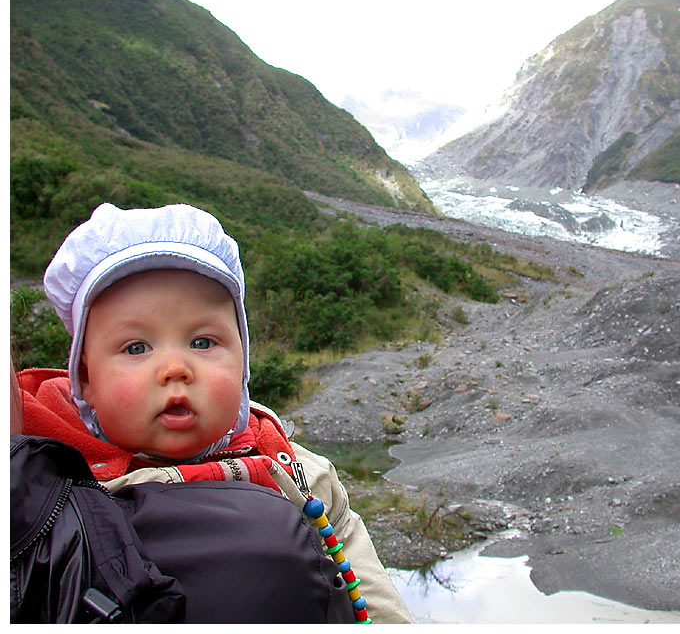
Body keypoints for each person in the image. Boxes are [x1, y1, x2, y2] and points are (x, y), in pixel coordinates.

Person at [18, 202, 413, 623]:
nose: (175, 369)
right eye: (136, 348)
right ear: (87, 379)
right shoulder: (50, 485)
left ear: (242, 361)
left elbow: (368, 590)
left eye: (203, 342)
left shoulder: (298, 472)